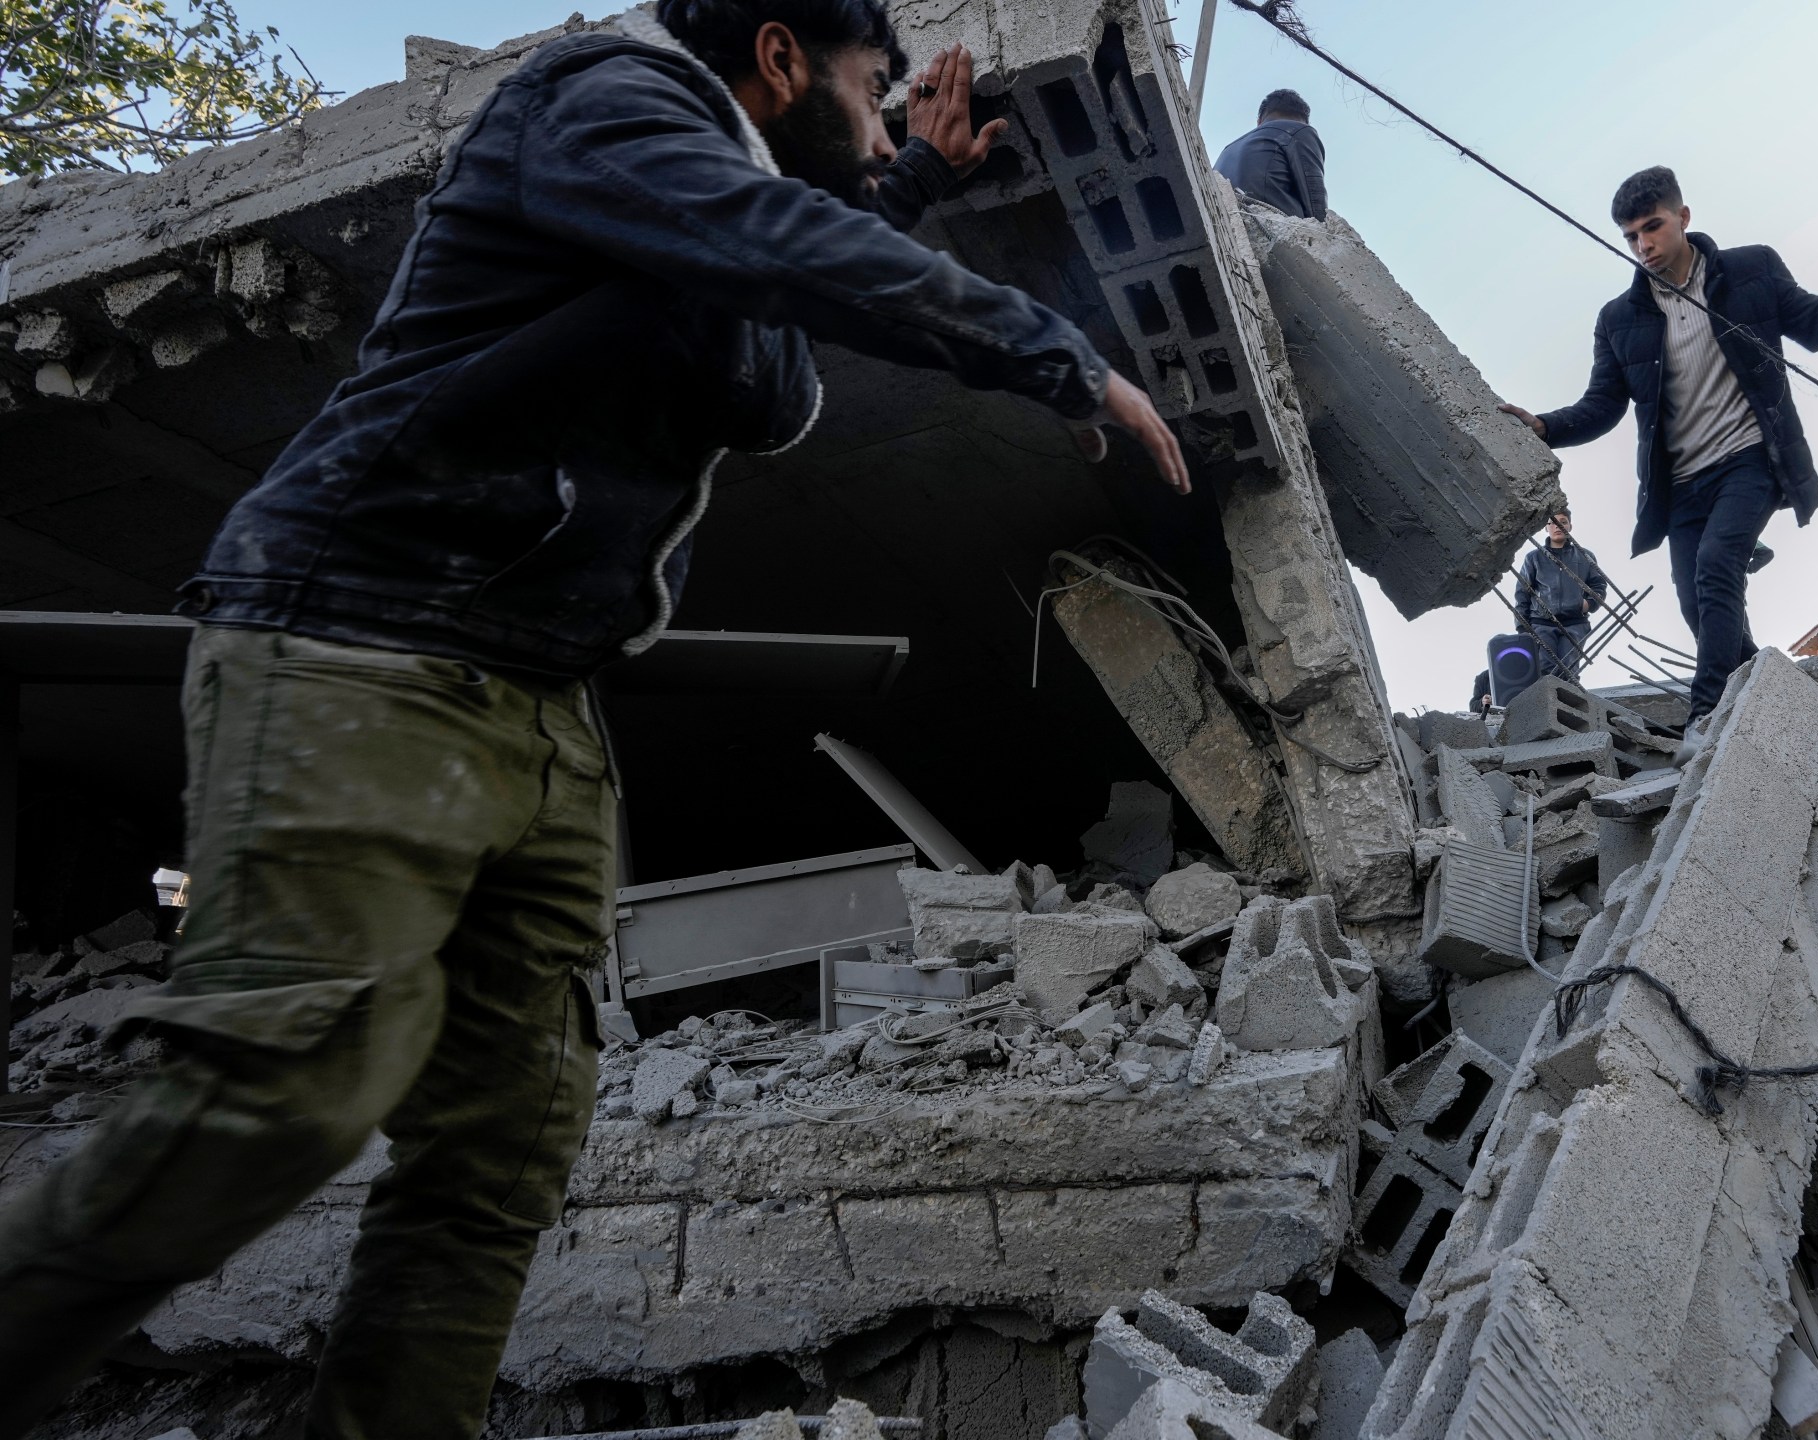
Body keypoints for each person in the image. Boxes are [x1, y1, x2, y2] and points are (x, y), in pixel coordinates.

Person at [0, 1, 1188, 1433]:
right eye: (875, 96)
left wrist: (911, 183)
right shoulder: (604, 98)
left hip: (543, 703)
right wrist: (1058, 355)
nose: (887, 131)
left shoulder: (708, 215)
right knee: (282, 1099)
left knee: (500, 1159)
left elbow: (767, 321)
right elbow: (772, 240)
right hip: (367, 637)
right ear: (776, 56)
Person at [1501, 165, 1818, 734]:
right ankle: (1774, 701)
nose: (1643, 244)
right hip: (1679, 487)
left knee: (1717, 568)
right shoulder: (1619, 319)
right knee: (1697, 605)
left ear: (1684, 218)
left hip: (1750, 459)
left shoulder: (1752, 270)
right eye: (1631, 236)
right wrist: (1546, 425)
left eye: (1653, 227)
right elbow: (1602, 406)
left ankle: (1705, 715)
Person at [1514, 507, 1612, 680]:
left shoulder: (1585, 556)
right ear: (1545, 527)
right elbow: (1522, 593)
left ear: (1570, 526)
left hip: (1574, 623)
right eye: (1551, 523)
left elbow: (1599, 584)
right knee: (1546, 670)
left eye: (1563, 522)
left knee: (1570, 671)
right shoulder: (1533, 558)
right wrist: (1522, 627)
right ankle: (1546, 706)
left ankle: (1567, 705)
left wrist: (1587, 604)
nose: (1557, 526)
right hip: (1541, 624)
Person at [1213, 88, 1327, 220]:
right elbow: (1316, 207)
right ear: (1304, 120)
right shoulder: (1301, 131)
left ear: (1259, 122)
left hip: (1226, 226)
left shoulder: (1227, 150)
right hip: (1272, 229)